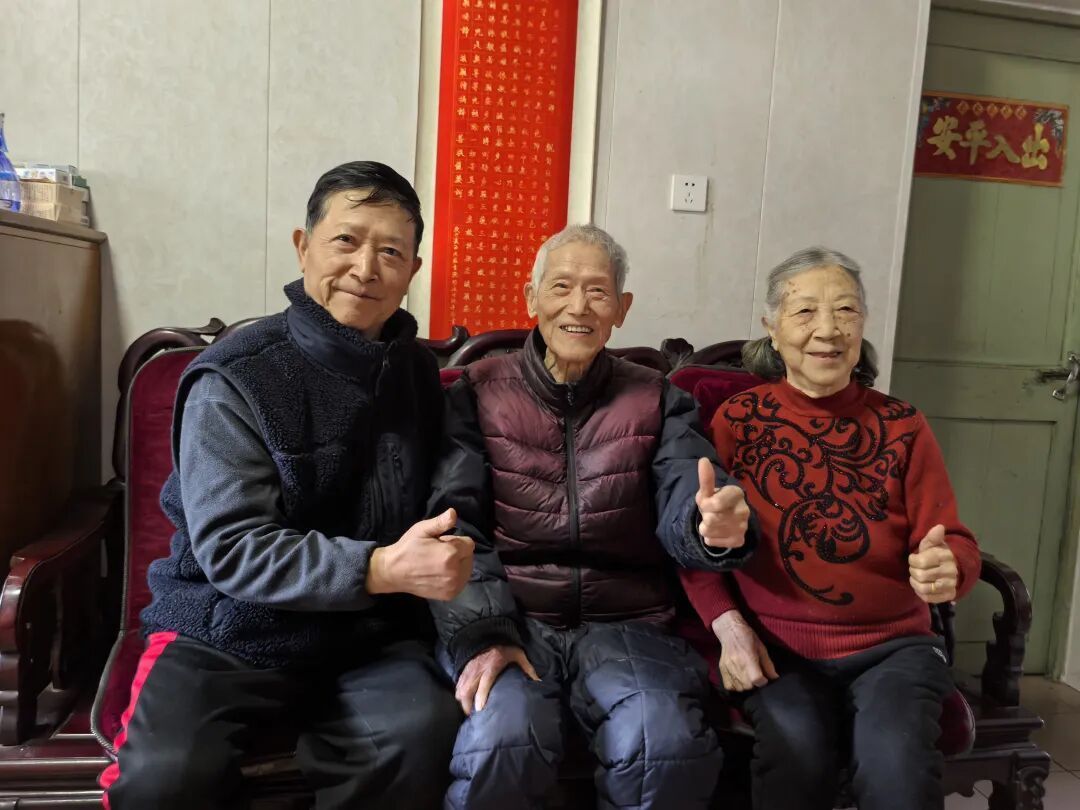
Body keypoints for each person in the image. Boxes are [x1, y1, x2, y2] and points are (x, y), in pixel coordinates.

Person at [100, 161, 470, 810]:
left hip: (368, 633)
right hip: (227, 626)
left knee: (422, 733)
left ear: (413, 270)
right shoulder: (234, 377)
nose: (366, 268)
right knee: (163, 777)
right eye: (346, 241)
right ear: (303, 247)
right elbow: (233, 548)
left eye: (391, 252)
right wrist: (380, 567)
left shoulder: (414, 372)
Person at [428, 223, 757, 809]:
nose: (578, 306)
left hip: (629, 620)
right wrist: (485, 633)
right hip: (513, 615)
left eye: (598, 292)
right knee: (502, 740)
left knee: (663, 745)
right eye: (561, 287)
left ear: (622, 309)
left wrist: (710, 527)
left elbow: (687, 486)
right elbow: (455, 525)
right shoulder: (477, 391)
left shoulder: (658, 398)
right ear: (532, 297)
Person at [679, 246, 981, 810]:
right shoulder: (738, 421)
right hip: (778, 646)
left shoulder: (902, 424)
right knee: (798, 762)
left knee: (897, 773)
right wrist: (726, 623)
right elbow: (696, 549)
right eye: (804, 312)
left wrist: (952, 568)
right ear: (772, 329)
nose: (828, 329)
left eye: (845, 310)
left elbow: (951, 538)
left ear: (862, 325)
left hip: (894, 647)